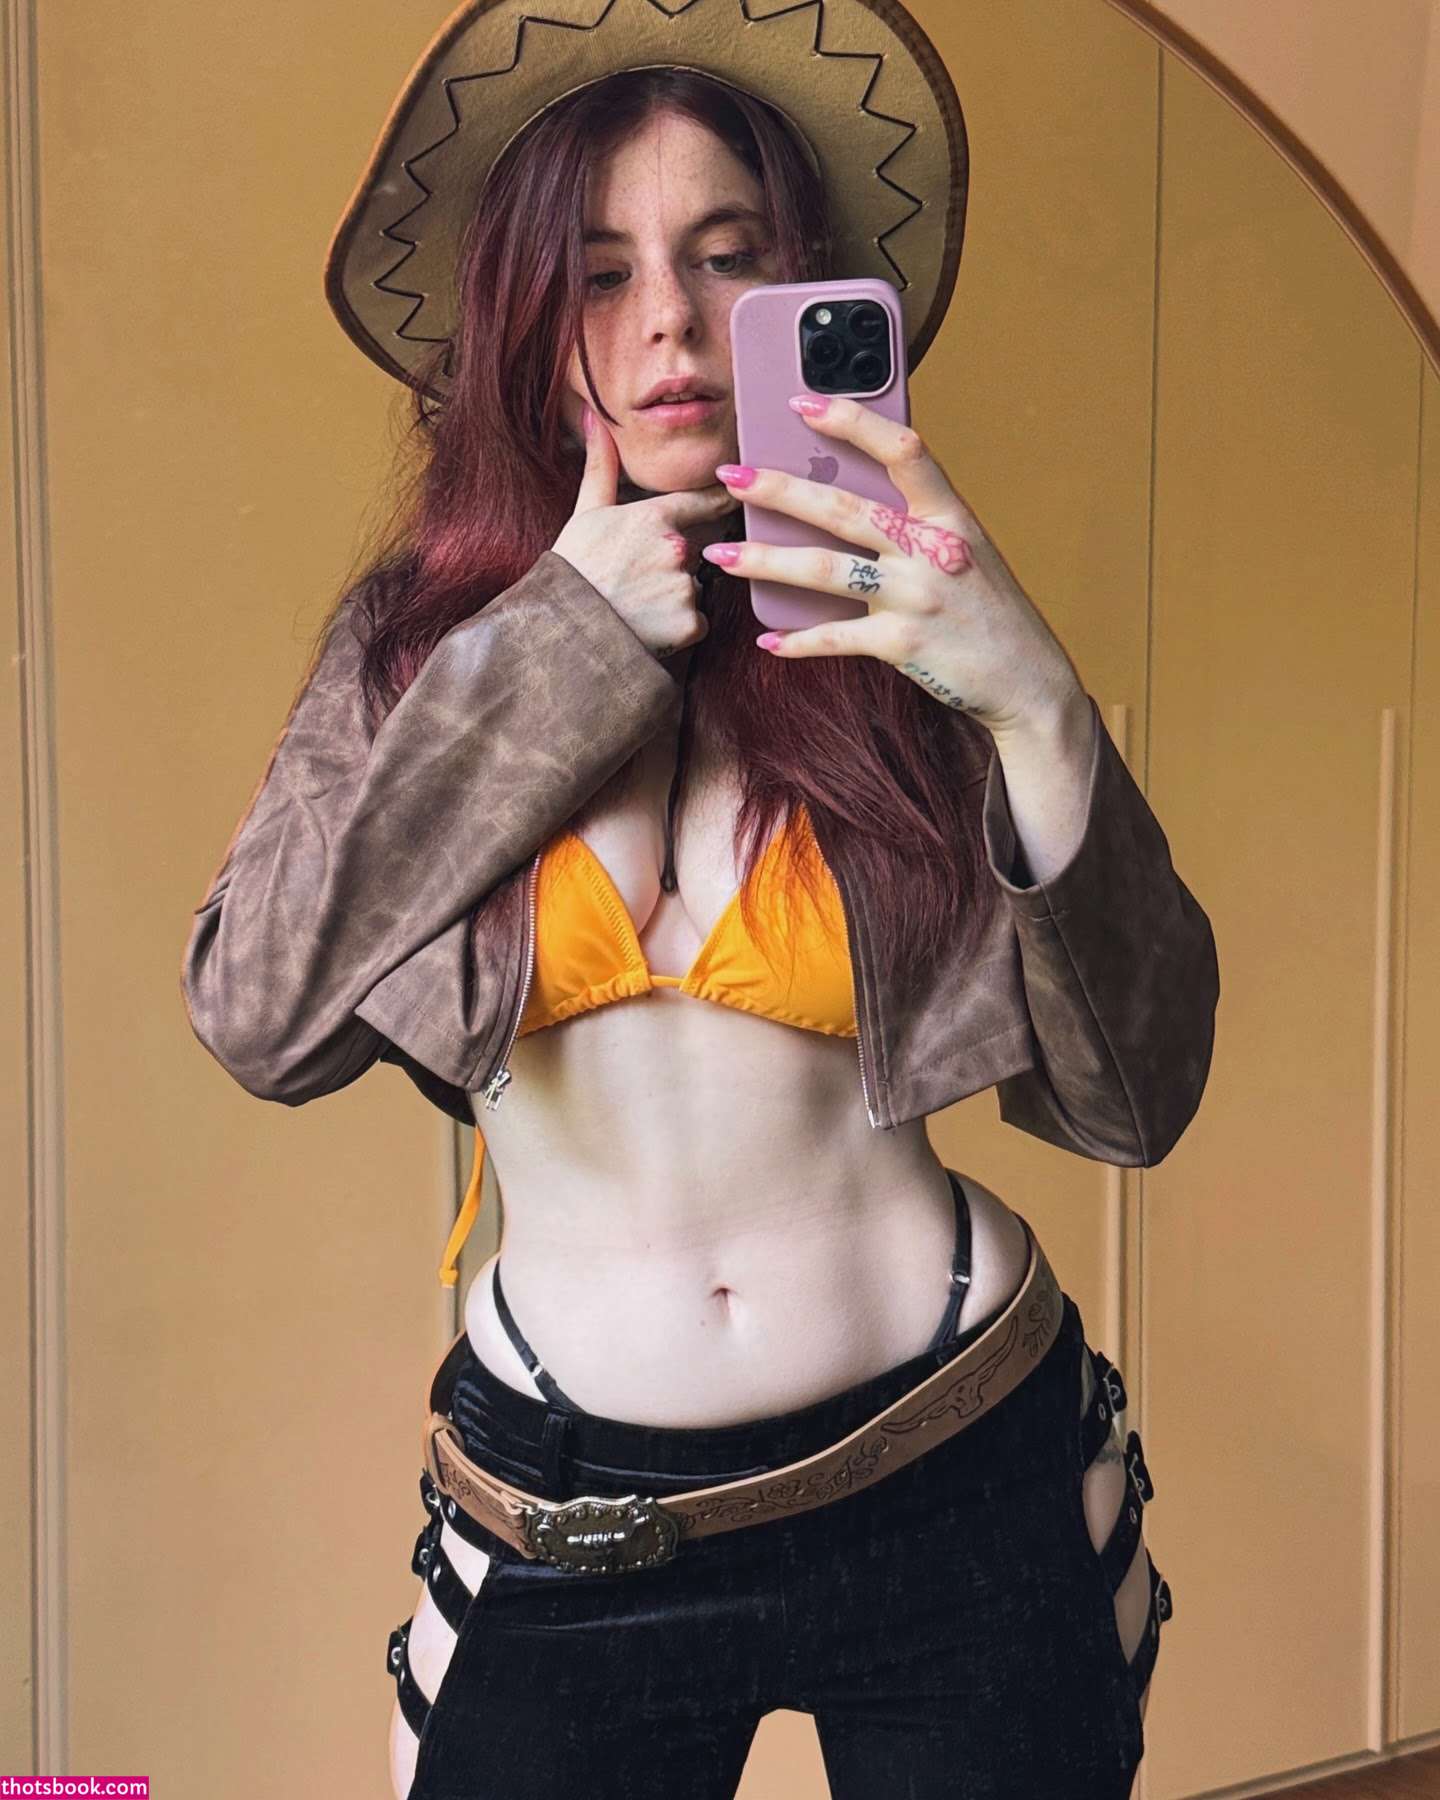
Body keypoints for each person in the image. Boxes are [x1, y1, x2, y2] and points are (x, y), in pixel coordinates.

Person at [181, 6, 1218, 1796]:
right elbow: (260, 1019)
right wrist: (554, 655)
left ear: (794, 292)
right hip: (576, 1522)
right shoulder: (415, 654)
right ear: (521, 319)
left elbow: (1138, 1100)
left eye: (726, 258)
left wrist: (1037, 706)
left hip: (965, 1471)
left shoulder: (903, 625)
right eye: (600, 272)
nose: (666, 318)